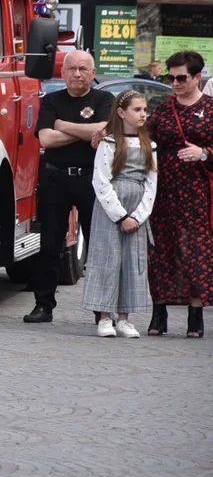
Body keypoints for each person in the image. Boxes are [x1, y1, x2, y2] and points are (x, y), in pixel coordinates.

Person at [26, 50, 113, 324]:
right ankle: (43, 306)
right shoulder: (51, 100)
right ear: (62, 73)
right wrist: (86, 132)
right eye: (72, 69)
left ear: (93, 72)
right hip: (55, 179)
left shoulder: (104, 99)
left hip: (91, 179)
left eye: (84, 69)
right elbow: (46, 140)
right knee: (50, 245)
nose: (77, 74)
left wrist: (63, 125)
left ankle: (101, 310)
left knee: (97, 245)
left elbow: (105, 129)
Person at [143, 50, 213, 338]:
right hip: (163, 188)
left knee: (195, 252)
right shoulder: (162, 110)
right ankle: (158, 314)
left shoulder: (210, 108)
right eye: (169, 77)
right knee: (160, 251)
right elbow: (142, 139)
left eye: (180, 77)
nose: (174, 82)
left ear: (197, 77)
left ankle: (195, 316)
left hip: (198, 190)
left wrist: (204, 153)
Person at [80, 90, 157, 338]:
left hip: (136, 207)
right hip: (111, 208)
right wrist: (121, 216)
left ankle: (125, 318)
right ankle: (104, 317)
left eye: (145, 109)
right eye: (137, 110)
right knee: (107, 259)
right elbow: (101, 181)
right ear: (122, 113)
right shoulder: (109, 143)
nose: (143, 114)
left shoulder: (149, 145)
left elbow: (151, 184)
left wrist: (138, 216)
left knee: (132, 262)